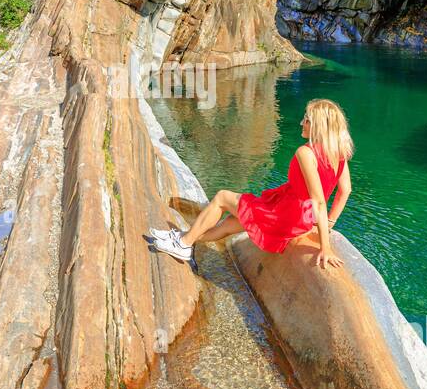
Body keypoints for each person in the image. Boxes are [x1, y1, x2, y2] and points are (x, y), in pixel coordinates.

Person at [149, 98, 354, 269]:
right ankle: (185, 239)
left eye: (307, 120)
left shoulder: (306, 152)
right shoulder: (339, 154)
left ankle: (182, 244)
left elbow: (318, 201)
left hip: (287, 215)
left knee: (222, 197)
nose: (302, 123)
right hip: (298, 215)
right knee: (230, 224)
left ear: (318, 126)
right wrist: (329, 222)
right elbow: (345, 190)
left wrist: (325, 247)